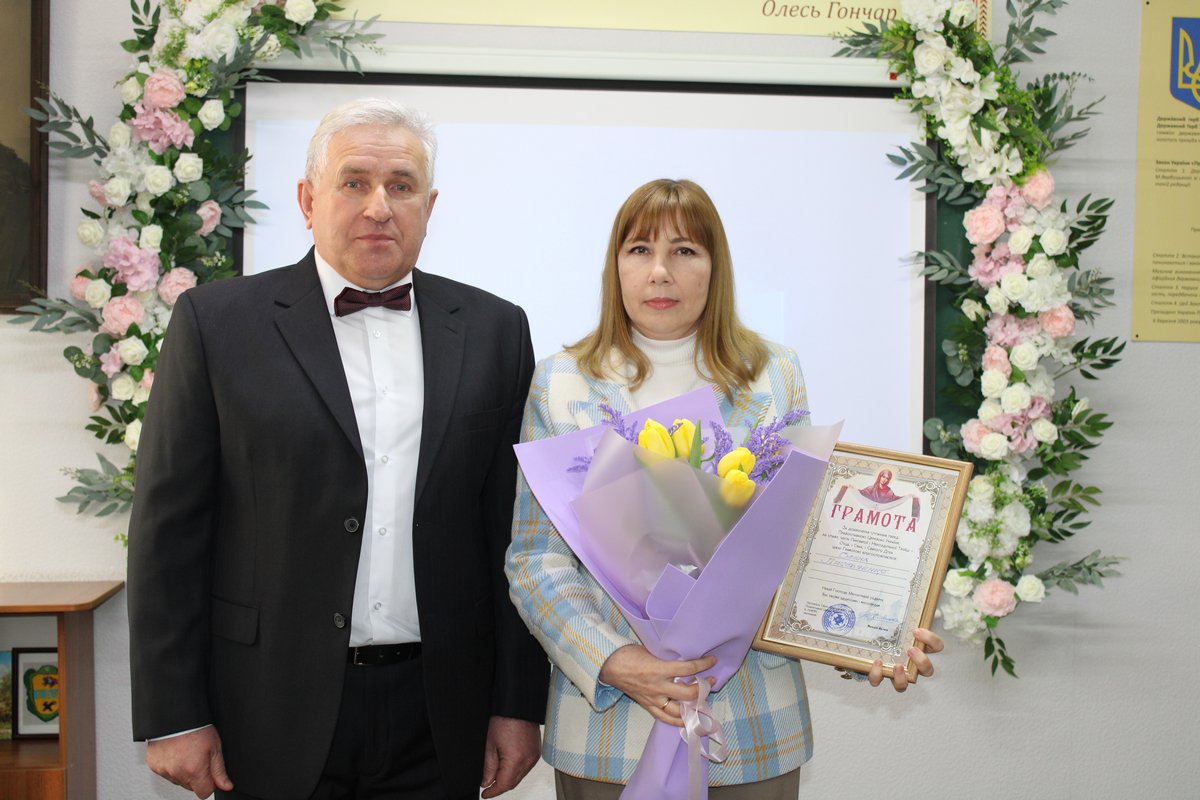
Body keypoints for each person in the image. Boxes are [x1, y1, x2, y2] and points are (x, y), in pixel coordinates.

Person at [127, 98, 548, 800]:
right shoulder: (216, 324)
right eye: (355, 182)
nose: (379, 206)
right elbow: (168, 532)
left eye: (401, 186)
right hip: (265, 707)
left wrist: (517, 702)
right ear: (307, 199)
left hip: (442, 711)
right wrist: (173, 714)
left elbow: (512, 532)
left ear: (429, 207)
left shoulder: (495, 330)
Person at [505, 178, 943, 799]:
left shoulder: (773, 372)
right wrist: (614, 661)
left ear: (716, 267)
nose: (660, 271)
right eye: (639, 250)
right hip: (609, 730)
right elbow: (535, 558)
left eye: (685, 250)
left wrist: (875, 632)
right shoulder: (561, 382)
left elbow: (803, 538)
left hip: (751, 724)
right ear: (615, 266)